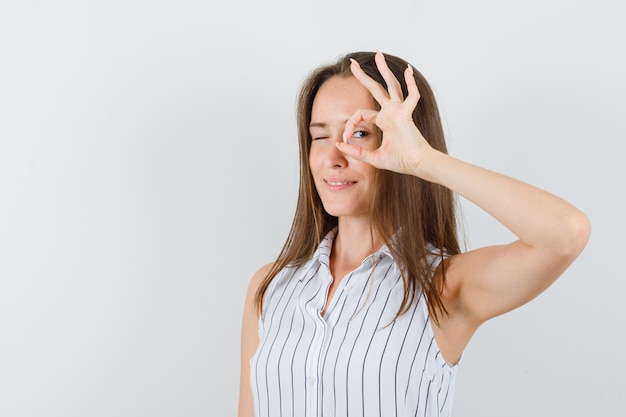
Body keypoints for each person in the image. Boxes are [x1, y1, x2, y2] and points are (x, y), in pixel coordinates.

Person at [237, 51, 590, 417]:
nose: (333, 157)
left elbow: (565, 233)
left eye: (359, 133)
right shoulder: (270, 287)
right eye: (319, 136)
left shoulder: (442, 287)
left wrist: (422, 160)